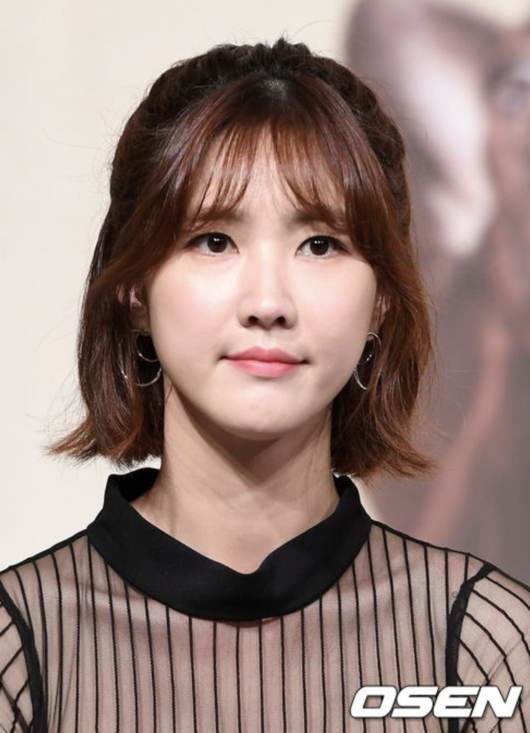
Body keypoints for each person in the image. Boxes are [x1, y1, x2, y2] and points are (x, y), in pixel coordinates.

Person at [0, 38, 529, 733]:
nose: (268, 302)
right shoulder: (21, 647)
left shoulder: (483, 644)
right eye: (214, 240)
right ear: (134, 288)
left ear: (382, 299)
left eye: (321, 244)